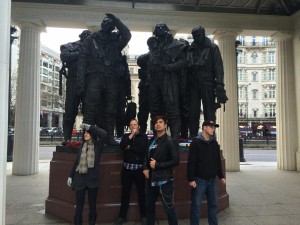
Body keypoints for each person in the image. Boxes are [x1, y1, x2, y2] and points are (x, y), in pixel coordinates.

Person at [77, 13, 131, 145]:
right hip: (94, 77)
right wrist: (81, 81)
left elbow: (127, 35)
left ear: (113, 27)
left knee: (110, 109)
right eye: (105, 22)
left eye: (110, 23)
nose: (107, 24)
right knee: (90, 109)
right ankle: (87, 137)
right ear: (101, 24)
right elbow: (82, 61)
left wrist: (117, 19)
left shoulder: (116, 40)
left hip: (111, 79)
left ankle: (109, 138)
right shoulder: (90, 39)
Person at [148, 23, 188, 144]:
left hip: (169, 80)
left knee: (172, 109)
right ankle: (157, 137)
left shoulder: (176, 45)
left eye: (162, 28)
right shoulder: (154, 46)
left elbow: (183, 62)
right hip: (155, 81)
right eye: (158, 28)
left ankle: (175, 138)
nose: (160, 30)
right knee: (155, 109)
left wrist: (169, 67)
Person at [187, 26, 228, 138]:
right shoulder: (191, 49)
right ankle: (193, 137)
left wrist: (220, 84)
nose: (197, 38)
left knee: (209, 112)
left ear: (203, 34)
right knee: (193, 112)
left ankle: (210, 137)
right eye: (195, 36)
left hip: (208, 83)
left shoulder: (213, 48)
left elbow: (218, 68)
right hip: (194, 84)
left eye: (198, 35)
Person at [187, 120, 226, 225]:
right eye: (211, 127)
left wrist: (221, 176)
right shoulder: (195, 142)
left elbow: (217, 161)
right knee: (196, 206)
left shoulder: (214, 143)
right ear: (204, 127)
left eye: (214, 127)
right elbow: (191, 162)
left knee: (213, 205)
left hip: (212, 180)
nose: (213, 129)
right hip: (199, 180)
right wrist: (191, 179)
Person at [67, 123, 107, 225]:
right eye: (85, 132)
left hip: (92, 180)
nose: (85, 134)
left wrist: (89, 127)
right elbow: (77, 162)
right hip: (79, 179)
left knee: (92, 205)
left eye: (88, 133)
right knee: (79, 206)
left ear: (92, 135)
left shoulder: (98, 145)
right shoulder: (82, 146)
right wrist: (71, 176)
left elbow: (104, 134)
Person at [143, 115, 180, 225]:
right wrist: (145, 168)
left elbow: (175, 161)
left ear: (165, 125)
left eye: (160, 122)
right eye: (156, 122)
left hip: (164, 181)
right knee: (149, 207)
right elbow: (145, 156)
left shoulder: (170, 141)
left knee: (169, 209)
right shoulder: (152, 141)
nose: (158, 124)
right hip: (151, 181)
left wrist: (157, 165)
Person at [60, 30, 92, 144]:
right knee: (70, 110)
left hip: (89, 81)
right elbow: (64, 55)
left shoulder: (94, 48)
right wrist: (82, 53)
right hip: (74, 80)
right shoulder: (71, 45)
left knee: (89, 112)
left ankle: (87, 139)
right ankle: (66, 138)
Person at [115, 119, 148, 225]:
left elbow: (142, 149)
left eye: (135, 124)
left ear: (139, 126)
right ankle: (122, 217)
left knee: (141, 194)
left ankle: (143, 216)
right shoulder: (126, 136)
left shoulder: (144, 137)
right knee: (125, 193)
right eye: (131, 125)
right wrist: (130, 137)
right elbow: (121, 146)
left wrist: (129, 147)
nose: (133, 126)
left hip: (139, 170)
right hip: (127, 170)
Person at [136, 37, 158, 134]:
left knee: (156, 113)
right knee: (142, 113)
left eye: (154, 43)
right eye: (151, 43)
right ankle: (141, 134)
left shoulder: (160, 56)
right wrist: (152, 53)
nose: (153, 45)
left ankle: (156, 134)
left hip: (156, 89)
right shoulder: (146, 57)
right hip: (145, 88)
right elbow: (139, 61)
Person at [115, 54, 132, 138]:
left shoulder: (123, 62)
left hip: (120, 93)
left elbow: (127, 78)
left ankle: (120, 136)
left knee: (120, 116)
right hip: (110, 92)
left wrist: (128, 94)